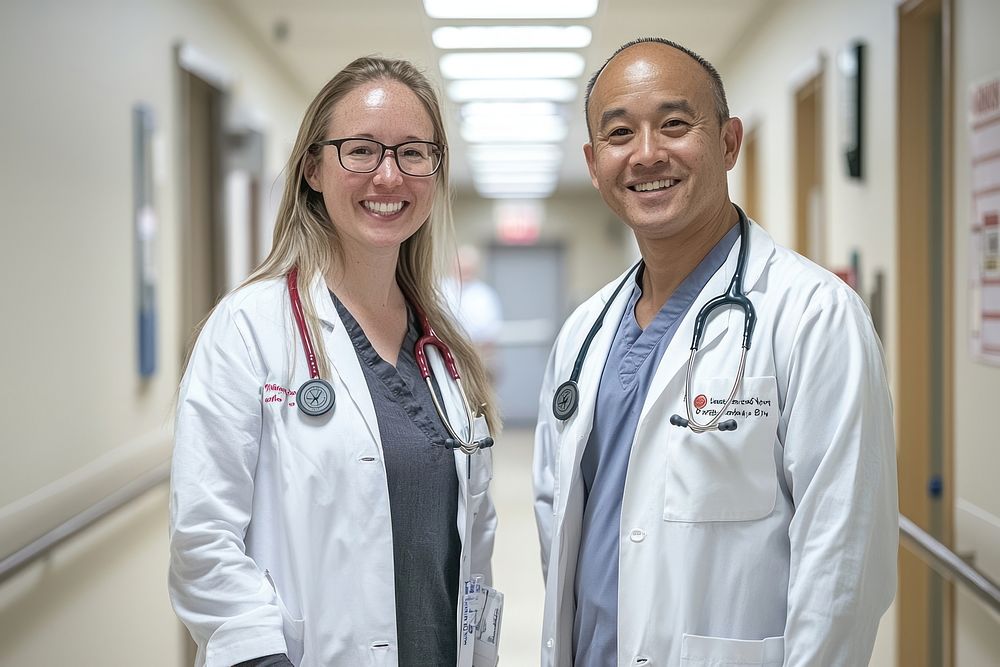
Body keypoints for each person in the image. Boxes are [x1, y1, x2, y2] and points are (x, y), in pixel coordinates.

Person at [532, 38, 897, 667]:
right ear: (595, 164)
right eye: (620, 134)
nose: (647, 154)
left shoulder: (812, 315)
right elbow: (559, 523)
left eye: (674, 125)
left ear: (729, 141)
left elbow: (843, 565)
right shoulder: (583, 332)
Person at [169, 56, 500, 667]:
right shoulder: (249, 329)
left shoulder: (445, 349)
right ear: (313, 169)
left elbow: (464, 548)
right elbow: (203, 541)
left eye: (413, 152)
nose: (389, 175)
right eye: (361, 150)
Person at [443, 245, 504, 378]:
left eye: (468, 269)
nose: (464, 272)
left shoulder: (484, 295)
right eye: (461, 267)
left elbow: (491, 331)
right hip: (445, 355)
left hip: (478, 356)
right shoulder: (440, 290)